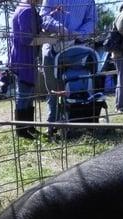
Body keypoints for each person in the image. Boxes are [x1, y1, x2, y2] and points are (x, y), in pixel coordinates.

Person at [40, 0, 97, 136]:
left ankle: (75, 121)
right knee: (53, 88)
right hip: (51, 45)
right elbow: (43, 16)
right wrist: (59, 28)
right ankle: (52, 123)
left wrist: (79, 33)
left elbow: (92, 20)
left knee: (74, 84)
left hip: (76, 46)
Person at [10, 0, 43, 139]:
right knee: (24, 93)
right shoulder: (26, 10)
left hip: (25, 57)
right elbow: (26, 39)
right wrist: (47, 40)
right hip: (24, 58)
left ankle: (29, 126)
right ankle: (22, 130)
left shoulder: (26, 8)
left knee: (28, 91)